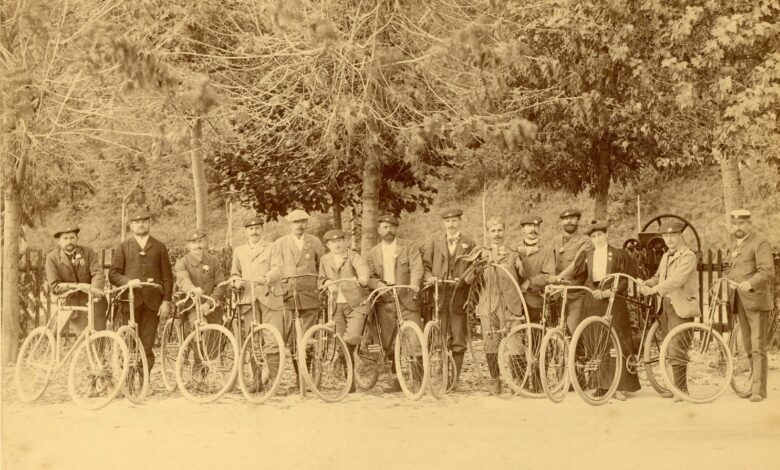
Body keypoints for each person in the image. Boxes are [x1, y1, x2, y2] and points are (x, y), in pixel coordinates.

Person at [578, 221, 641, 400]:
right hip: (593, 300)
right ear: (590, 239)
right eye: (593, 236)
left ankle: (620, 386)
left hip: (613, 299)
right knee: (597, 340)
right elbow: (579, 276)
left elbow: (626, 277)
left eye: (600, 235)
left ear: (606, 234)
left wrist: (609, 291)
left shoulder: (619, 254)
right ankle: (599, 384)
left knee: (617, 339)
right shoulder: (587, 255)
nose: (597, 239)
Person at [639, 220, 699, 401]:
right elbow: (659, 277)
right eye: (666, 236)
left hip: (681, 307)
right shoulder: (666, 256)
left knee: (677, 348)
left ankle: (681, 390)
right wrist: (646, 283)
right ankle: (677, 388)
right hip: (665, 306)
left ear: (680, 236)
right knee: (669, 348)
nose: (670, 240)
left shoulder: (688, 256)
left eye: (673, 236)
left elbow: (677, 280)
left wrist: (655, 289)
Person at [364, 214, 423, 393]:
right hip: (385, 300)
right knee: (389, 342)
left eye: (392, 227)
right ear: (379, 230)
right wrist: (378, 285)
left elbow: (416, 266)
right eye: (385, 227)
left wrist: (414, 284)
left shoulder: (408, 246)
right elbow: (369, 277)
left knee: (414, 339)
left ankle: (419, 380)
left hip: (406, 297)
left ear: (396, 229)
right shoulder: (372, 253)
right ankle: (397, 381)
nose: (388, 230)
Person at [109, 211, 174, 372]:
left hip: (153, 303)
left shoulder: (159, 246)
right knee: (128, 341)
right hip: (129, 301)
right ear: (131, 225)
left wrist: (166, 301)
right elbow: (113, 274)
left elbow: (167, 277)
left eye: (144, 221)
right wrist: (128, 282)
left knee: (147, 343)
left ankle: (144, 378)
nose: (141, 224)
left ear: (150, 223)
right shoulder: (123, 247)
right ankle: (128, 379)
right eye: (137, 222)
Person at [422, 208, 476, 391]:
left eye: (454, 221)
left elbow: (474, 270)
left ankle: (456, 379)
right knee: (440, 335)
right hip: (440, 294)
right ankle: (443, 376)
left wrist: (465, 278)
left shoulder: (470, 243)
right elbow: (426, 266)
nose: (451, 224)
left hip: (459, 295)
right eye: (447, 221)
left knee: (458, 336)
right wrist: (430, 277)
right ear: (443, 223)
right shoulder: (434, 242)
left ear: (460, 221)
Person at [726, 209, 775, 402]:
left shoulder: (759, 242)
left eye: (742, 224)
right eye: (735, 224)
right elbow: (734, 269)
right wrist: (729, 280)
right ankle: (752, 383)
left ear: (749, 225)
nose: (738, 228)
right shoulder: (735, 244)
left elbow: (767, 271)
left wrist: (750, 283)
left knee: (757, 346)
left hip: (755, 300)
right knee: (747, 345)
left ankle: (758, 390)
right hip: (739, 300)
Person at [230, 216, 283, 389]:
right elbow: (234, 273)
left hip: (269, 296)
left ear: (262, 230)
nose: (254, 232)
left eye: (257, 228)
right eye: (251, 229)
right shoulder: (239, 251)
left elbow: (278, 268)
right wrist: (235, 281)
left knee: (272, 338)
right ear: (246, 231)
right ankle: (257, 381)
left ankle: (274, 383)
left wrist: (267, 277)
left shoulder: (272, 247)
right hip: (248, 299)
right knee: (253, 338)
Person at [274, 209, 325, 388]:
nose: (300, 225)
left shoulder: (315, 242)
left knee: (309, 336)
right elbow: (276, 267)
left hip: (310, 292)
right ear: (290, 224)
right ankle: (299, 377)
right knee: (293, 337)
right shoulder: (280, 243)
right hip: (289, 293)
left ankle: (308, 375)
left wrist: (319, 284)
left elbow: (322, 265)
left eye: (303, 222)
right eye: (296, 222)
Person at [318, 229, 370, 393]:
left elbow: (362, 268)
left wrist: (362, 278)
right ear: (328, 245)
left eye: (340, 241)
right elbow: (320, 279)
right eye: (333, 242)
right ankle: (350, 383)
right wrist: (327, 282)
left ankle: (348, 360)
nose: (337, 244)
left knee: (353, 336)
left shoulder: (353, 256)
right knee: (340, 342)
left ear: (344, 242)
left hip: (355, 303)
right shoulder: (325, 259)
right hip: (336, 306)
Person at [479, 216, 526, 395]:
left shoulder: (513, 253)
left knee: (515, 343)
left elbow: (523, 274)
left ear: (504, 231)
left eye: (500, 230)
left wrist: (521, 260)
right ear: (488, 233)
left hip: (511, 304)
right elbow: (470, 279)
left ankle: (518, 382)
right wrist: (478, 264)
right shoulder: (482, 253)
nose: (497, 234)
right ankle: (495, 381)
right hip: (488, 304)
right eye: (493, 231)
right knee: (491, 343)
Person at [44, 226, 107, 334]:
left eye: (72, 238)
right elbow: (55, 286)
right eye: (65, 238)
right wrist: (76, 286)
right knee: (83, 339)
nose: (69, 241)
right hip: (71, 302)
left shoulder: (88, 252)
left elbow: (98, 273)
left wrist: (94, 289)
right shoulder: (52, 258)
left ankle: (99, 350)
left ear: (77, 238)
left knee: (99, 336)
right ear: (59, 241)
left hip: (93, 299)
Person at [547, 208, 593, 334]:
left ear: (578, 220)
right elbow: (549, 262)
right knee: (556, 329)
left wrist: (558, 278)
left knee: (573, 328)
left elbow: (576, 265)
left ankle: (579, 354)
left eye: (573, 218)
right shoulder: (555, 240)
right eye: (566, 219)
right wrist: (548, 279)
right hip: (558, 294)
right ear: (561, 222)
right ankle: (565, 353)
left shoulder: (585, 241)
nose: (569, 221)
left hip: (576, 293)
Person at [174, 230, 227, 327]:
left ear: (204, 242)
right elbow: (183, 280)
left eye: (200, 242)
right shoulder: (182, 263)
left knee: (216, 339)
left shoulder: (213, 260)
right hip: (192, 306)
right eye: (194, 242)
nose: (197, 245)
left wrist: (209, 303)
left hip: (213, 306)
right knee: (202, 327)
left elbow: (221, 285)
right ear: (188, 245)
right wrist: (192, 289)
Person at [516, 215, 555, 323]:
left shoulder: (547, 249)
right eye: (529, 226)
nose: (533, 229)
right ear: (522, 229)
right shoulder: (515, 249)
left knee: (536, 335)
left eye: (536, 226)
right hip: (516, 301)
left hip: (536, 300)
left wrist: (530, 281)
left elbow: (549, 275)